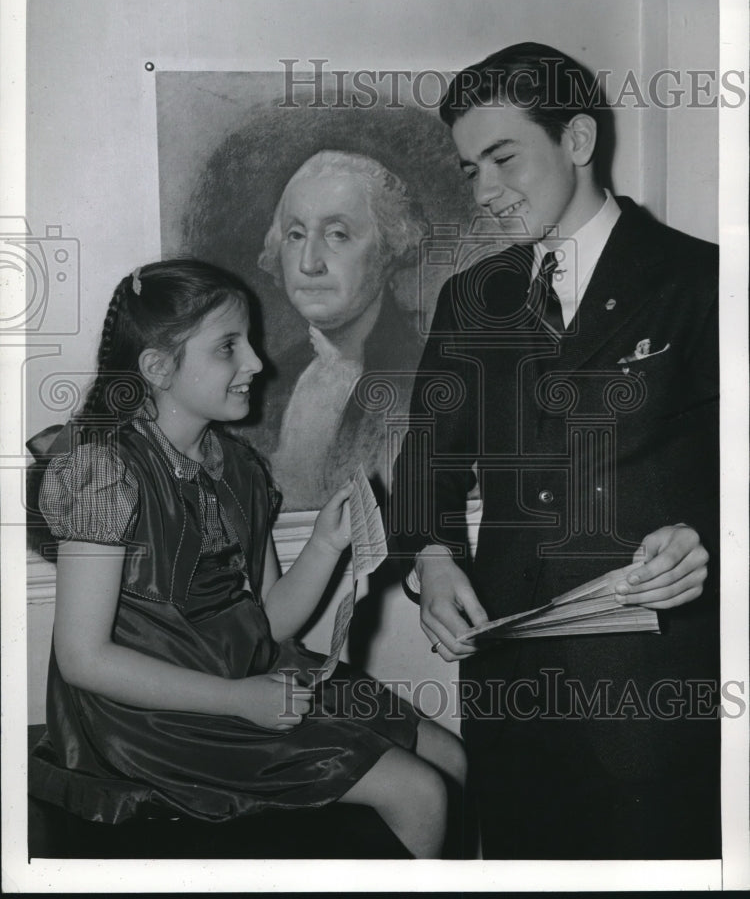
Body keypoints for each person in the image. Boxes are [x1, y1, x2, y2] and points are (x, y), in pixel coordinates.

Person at [390, 43, 720, 859]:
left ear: (576, 141)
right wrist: (431, 558)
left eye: (504, 159)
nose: (488, 192)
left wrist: (708, 537)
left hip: (655, 687)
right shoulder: (470, 300)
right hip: (507, 685)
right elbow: (427, 455)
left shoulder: (704, 282)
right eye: (471, 170)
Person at [27, 258, 466, 859]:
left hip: (244, 677)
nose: (257, 362)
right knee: (418, 793)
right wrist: (241, 701)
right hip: (147, 718)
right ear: (157, 368)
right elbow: (83, 660)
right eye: (228, 347)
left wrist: (324, 545)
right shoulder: (101, 470)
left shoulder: (235, 467)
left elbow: (269, 622)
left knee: (453, 757)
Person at [236, 150, 426, 510]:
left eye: (337, 234)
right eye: (295, 234)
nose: (309, 263)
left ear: (390, 247)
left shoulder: (426, 382)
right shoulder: (263, 384)